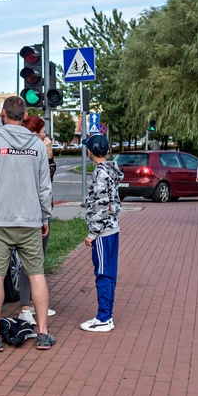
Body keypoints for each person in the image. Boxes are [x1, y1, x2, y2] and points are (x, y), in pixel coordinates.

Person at [0, 96, 54, 351]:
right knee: (36, 274)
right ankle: (42, 333)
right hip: (30, 221)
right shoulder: (37, 145)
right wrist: (45, 216)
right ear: (24, 114)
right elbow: (45, 187)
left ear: (2, 114)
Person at [80, 134, 122, 333]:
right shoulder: (111, 170)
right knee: (109, 274)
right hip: (112, 229)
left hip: (103, 232)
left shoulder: (99, 173)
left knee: (103, 274)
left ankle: (104, 318)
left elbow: (102, 204)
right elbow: (115, 204)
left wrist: (92, 233)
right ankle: (107, 315)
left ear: (90, 151)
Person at [18, 115, 57, 325]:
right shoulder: (35, 151)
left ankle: (30, 305)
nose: (46, 135)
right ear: (35, 133)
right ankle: (27, 306)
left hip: (30, 212)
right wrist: (44, 216)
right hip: (35, 214)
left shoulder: (36, 150)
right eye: (43, 131)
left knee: (32, 262)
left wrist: (49, 155)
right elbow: (45, 185)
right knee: (33, 262)